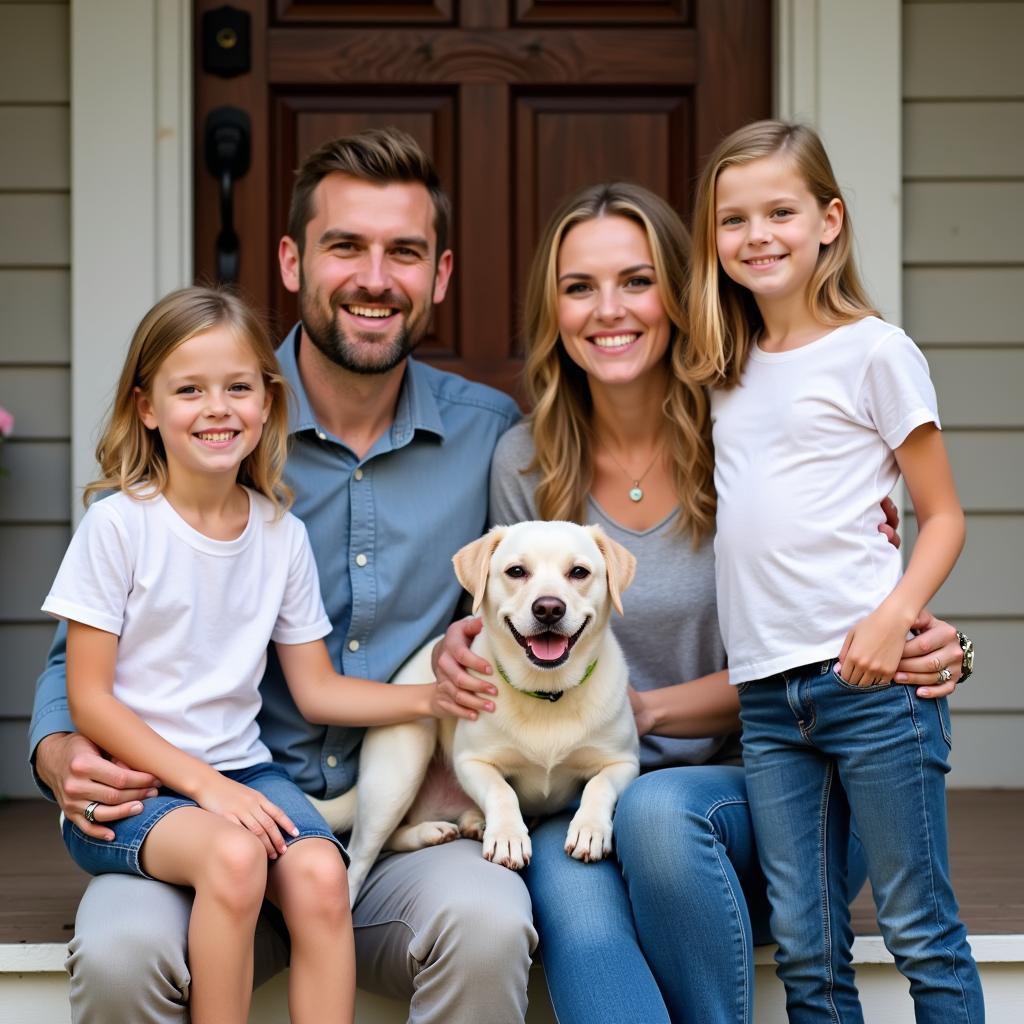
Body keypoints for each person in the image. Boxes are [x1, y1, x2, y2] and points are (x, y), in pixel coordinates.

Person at [434, 179, 974, 1024]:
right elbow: (506, 626)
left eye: (638, 281)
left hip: (766, 793)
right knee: (580, 923)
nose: (608, 311)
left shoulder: (754, 431)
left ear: (681, 298)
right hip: (582, 793)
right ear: (555, 313)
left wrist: (924, 632)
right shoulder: (526, 464)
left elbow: (824, 630)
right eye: (579, 288)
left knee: (654, 811)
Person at [29, 129, 528, 1024]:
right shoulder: (160, 492)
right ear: (294, 260)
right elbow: (80, 673)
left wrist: (466, 694)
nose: (375, 277)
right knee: (116, 955)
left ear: (440, 275)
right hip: (180, 807)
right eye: (347, 245)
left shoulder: (491, 438)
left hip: (382, 826)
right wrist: (58, 752)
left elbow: (552, 589)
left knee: (488, 926)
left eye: (403, 252)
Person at [686, 119, 983, 1020]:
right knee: (809, 948)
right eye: (733, 220)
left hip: (875, 683)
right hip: (770, 699)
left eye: (780, 211)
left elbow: (943, 513)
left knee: (916, 924)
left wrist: (899, 614)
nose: (757, 236)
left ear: (830, 221)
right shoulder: (722, 370)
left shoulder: (874, 351)